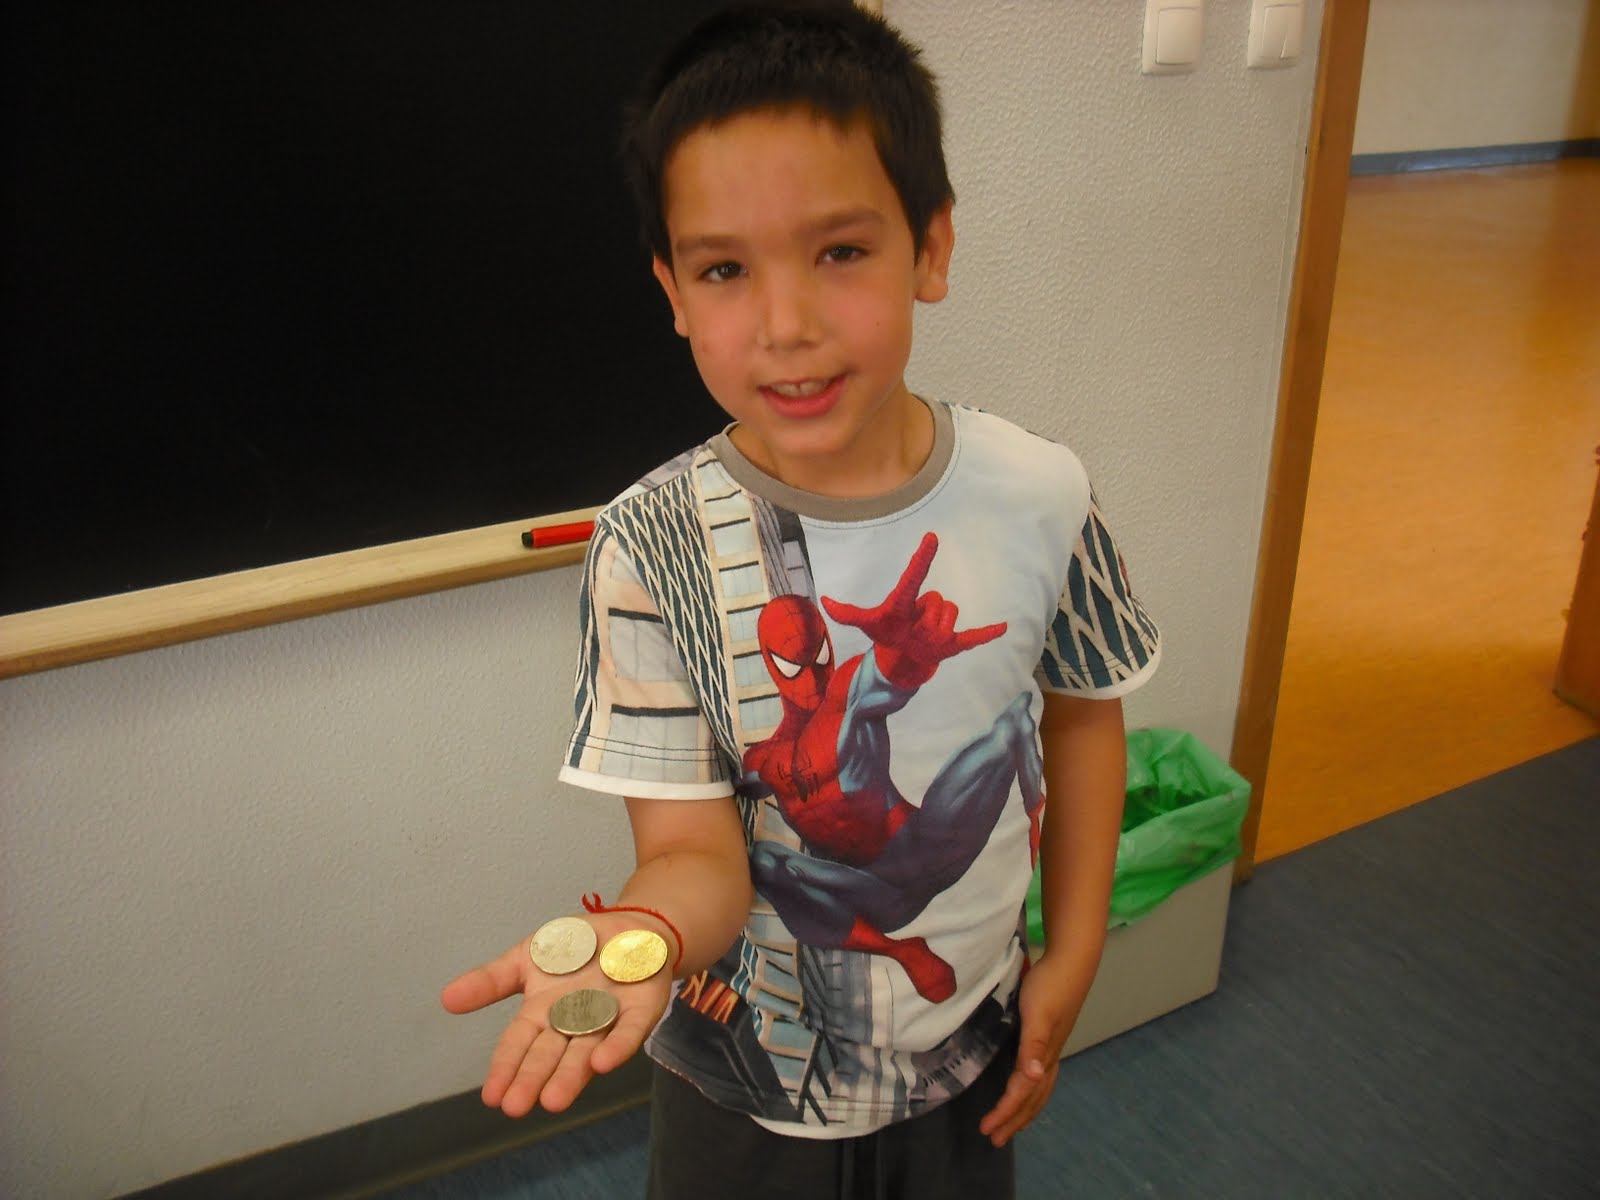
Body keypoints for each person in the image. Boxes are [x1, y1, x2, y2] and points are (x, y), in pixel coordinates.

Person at [441, 3, 1160, 1196]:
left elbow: (1081, 721)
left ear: (930, 247)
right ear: (674, 291)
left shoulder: (1043, 494)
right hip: (739, 1088)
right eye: (725, 270)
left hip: (969, 1049)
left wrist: (1073, 949)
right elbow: (692, 853)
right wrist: (643, 937)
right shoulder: (649, 547)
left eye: (839, 252)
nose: (786, 326)